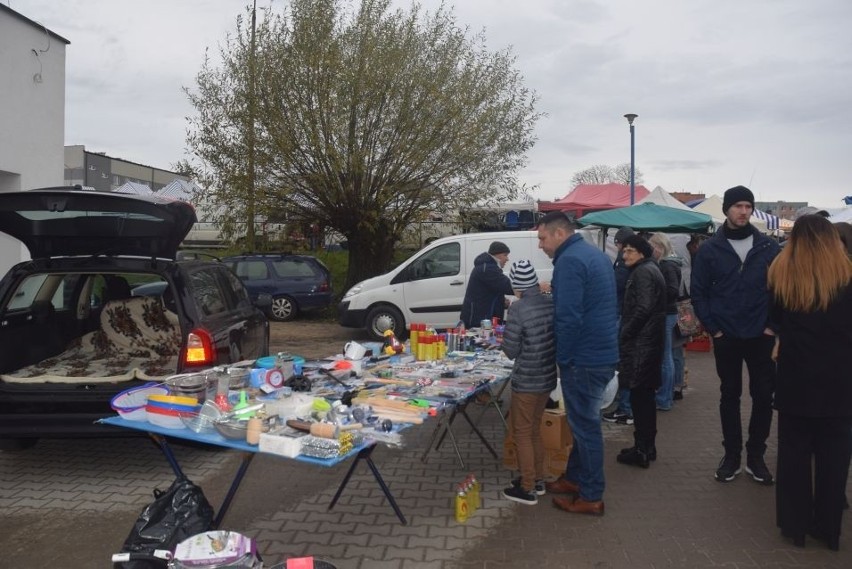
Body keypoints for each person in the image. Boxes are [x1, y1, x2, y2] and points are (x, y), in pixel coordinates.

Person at [767, 215, 852, 551]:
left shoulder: (781, 275)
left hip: (795, 376)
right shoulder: (847, 276)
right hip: (841, 379)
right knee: (835, 458)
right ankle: (828, 528)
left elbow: (774, 321)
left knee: (793, 454)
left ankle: (794, 524)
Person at [691, 185, 781, 484]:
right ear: (726, 209)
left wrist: (773, 326)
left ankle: (756, 456)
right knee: (729, 395)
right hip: (726, 335)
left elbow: (782, 291)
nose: (743, 211)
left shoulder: (769, 248)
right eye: (738, 205)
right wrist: (714, 329)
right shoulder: (709, 250)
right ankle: (732, 456)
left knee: (763, 396)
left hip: (761, 335)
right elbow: (699, 293)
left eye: (748, 206)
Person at [537, 212, 618, 516]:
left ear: (559, 234)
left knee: (586, 428)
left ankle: (591, 495)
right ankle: (574, 478)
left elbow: (568, 317)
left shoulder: (570, 261)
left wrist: (563, 359)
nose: (541, 245)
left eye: (543, 238)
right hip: (600, 352)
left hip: (584, 357)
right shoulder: (591, 254)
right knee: (582, 422)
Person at [500, 260, 557, 505]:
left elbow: (511, 351)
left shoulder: (518, 309)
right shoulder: (549, 302)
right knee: (533, 430)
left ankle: (527, 488)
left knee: (522, 433)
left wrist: (504, 339)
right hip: (546, 377)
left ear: (517, 285)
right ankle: (538, 479)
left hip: (526, 379)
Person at [615, 235, 666, 468]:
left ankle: (643, 450)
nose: (625, 255)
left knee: (641, 399)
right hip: (647, 344)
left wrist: (626, 331)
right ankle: (647, 447)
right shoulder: (649, 269)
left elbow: (643, 307)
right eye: (624, 250)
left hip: (641, 346)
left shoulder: (643, 272)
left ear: (642, 253)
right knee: (643, 399)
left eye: (630, 251)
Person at [602, 227, 635, 426]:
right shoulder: (633, 262)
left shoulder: (625, 262)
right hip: (623, 313)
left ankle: (625, 408)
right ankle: (623, 404)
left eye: (617, 243)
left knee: (620, 362)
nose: (617, 247)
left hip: (621, 314)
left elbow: (616, 284)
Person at [648, 233, 683, 411]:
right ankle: (665, 396)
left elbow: (672, 290)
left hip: (666, 313)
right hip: (668, 313)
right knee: (668, 356)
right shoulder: (670, 264)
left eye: (652, 246)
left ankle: (664, 398)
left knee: (665, 357)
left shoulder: (667, 265)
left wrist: (655, 298)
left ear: (659, 247)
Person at [459, 241, 513, 328]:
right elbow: (508, 286)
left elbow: (491, 289)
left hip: (480, 318)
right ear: (497, 254)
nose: (507, 259)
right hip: (479, 320)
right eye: (505, 255)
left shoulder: (487, 266)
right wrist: (536, 287)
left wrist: (502, 300)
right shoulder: (488, 269)